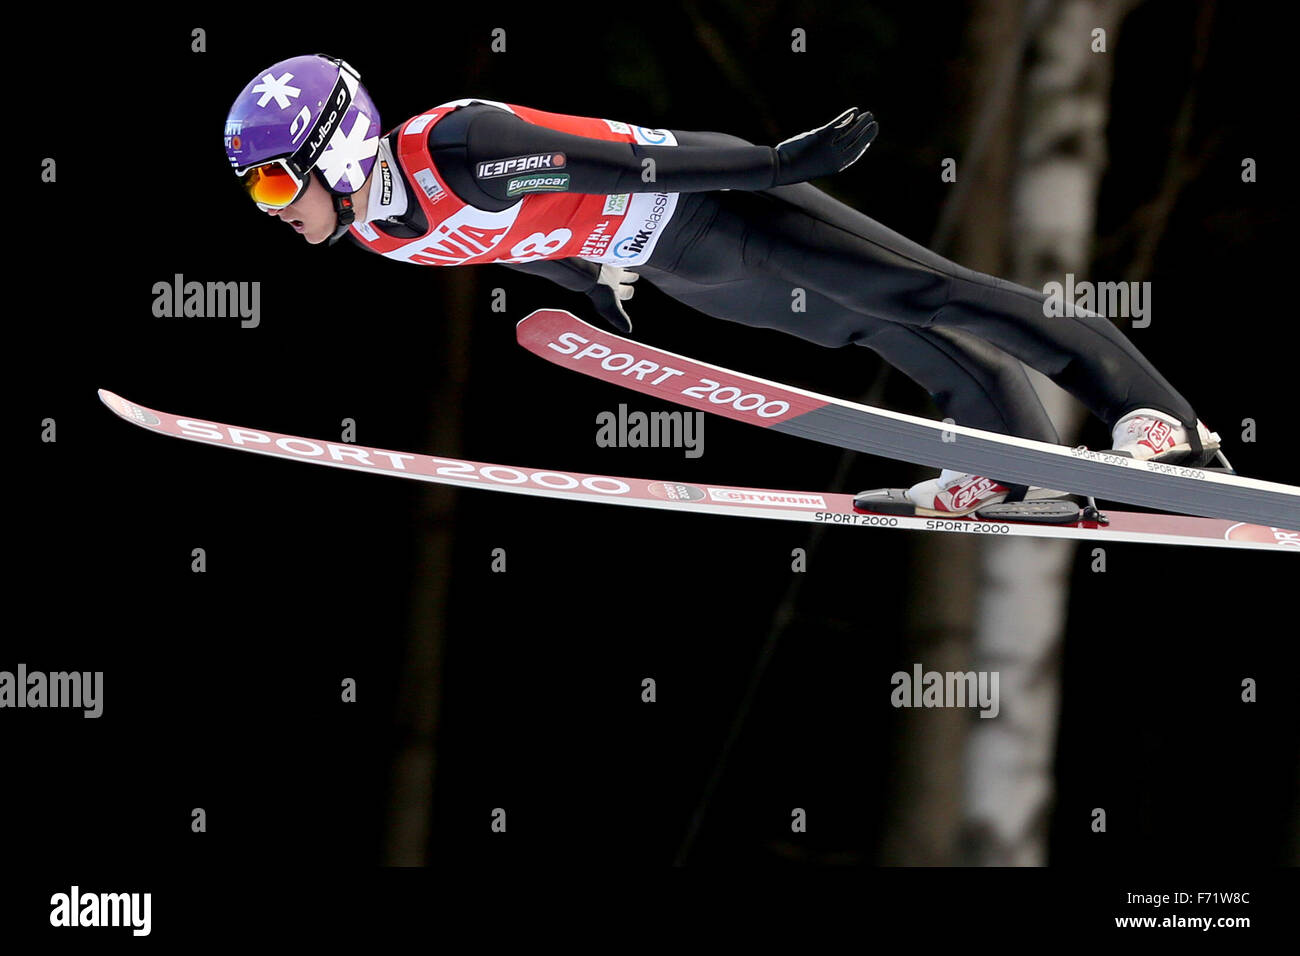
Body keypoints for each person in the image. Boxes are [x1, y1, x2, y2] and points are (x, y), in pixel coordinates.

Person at [224, 53, 1221, 516]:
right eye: (254, 189)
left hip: (714, 206)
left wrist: (775, 166)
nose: (272, 207)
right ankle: (1020, 466)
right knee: (865, 332)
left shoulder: (461, 147)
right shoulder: (379, 236)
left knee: (928, 292)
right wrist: (593, 285)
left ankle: (1160, 418)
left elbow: (627, 163)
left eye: (274, 178)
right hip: (680, 263)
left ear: (338, 147)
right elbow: (511, 244)